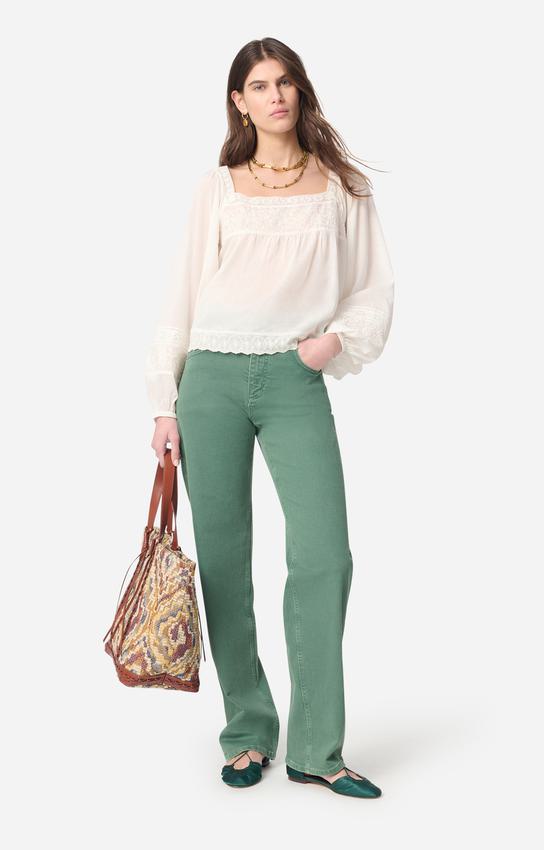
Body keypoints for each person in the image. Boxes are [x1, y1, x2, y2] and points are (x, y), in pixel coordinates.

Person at [144, 38, 394, 799]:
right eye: (259, 85)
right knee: (224, 562)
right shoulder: (216, 188)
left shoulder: (342, 187)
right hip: (210, 380)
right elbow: (180, 295)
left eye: (285, 81)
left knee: (325, 556)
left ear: (300, 90)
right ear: (239, 102)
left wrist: (332, 342)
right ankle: (248, 731)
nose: (276, 95)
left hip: (294, 378)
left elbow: (373, 288)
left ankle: (317, 747)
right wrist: (163, 402)